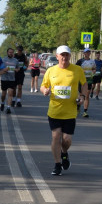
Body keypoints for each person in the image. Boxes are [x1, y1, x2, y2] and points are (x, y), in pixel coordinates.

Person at [40, 45, 87, 176]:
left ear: (70, 56)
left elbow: (84, 84)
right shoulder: (51, 71)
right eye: (62, 55)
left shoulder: (77, 70)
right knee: (56, 137)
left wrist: (82, 96)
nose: (64, 57)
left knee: (67, 140)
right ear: (57, 56)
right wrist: (45, 91)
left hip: (70, 111)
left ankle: (64, 153)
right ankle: (57, 164)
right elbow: (43, 86)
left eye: (67, 55)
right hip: (54, 110)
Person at [0, 47, 20, 114]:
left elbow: (18, 68)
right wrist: (4, 70)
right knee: (3, 95)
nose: (11, 53)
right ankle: (2, 103)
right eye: (9, 52)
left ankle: (8, 107)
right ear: (7, 53)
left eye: (12, 52)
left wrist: (16, 70)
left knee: (10, 93)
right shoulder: (3, 60)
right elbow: (0, 68)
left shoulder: (15, 60)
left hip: (12, 79)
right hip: (4, 78)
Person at [77, 47, 95, 117]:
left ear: (90, 53)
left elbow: (94, 69)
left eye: (88, 52)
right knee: (81, 95)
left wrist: (93, 71)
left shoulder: (92, 61)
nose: (87, 53)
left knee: (87, 96)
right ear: (84, 53)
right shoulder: (80, 61)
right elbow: (76, 70)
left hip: (89, 80)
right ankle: (78, 107)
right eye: (86, 52)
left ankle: (85, 111)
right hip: (81, 80)